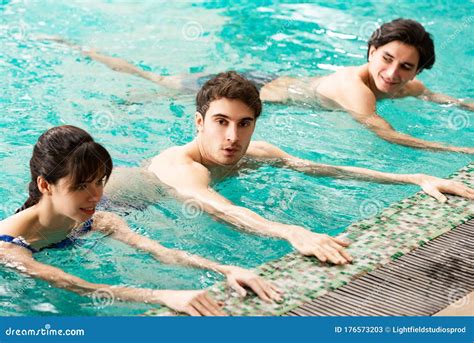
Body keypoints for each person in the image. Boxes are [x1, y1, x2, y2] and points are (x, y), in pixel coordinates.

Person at [107, 72, 474, 266]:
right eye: (221, 122)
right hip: (100, 211)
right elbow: (220, 207)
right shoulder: (182, 167)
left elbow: (319, 168)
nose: (233, 137)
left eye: (244, 123)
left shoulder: (255, 152)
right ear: (199, 122)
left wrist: (414, 177)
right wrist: (292, 232)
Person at [41, 18, 473, 153]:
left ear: (417, 72)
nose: (392, 73)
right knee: (156, 83)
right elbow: (389, 135)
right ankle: (86, 53)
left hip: (270, 81)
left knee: (162, 82)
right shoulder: (356, 89)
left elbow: (441, 98)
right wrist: (461, 151)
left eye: (405, 67)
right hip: (259, 88)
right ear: (370, 51)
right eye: (386, 59)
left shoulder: (407, 87)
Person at [0, 125, 281, 317]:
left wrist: (225, 268)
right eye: (81, 186)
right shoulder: (9, 247)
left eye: (99, 182)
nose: (95, 195)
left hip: (130, 192)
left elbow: (160, 251)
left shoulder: (93, 217)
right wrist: (163, 296)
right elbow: (75, 285)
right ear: (45, 185)